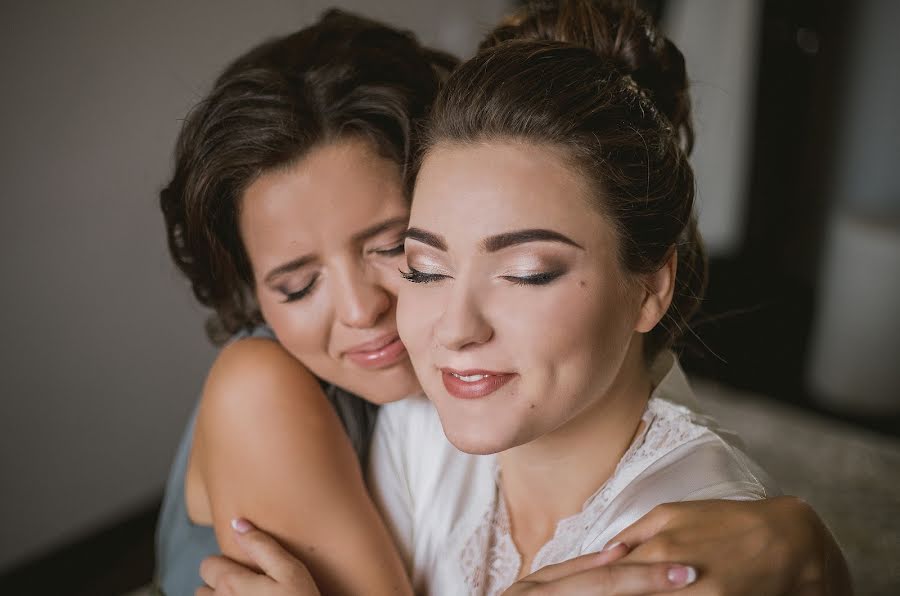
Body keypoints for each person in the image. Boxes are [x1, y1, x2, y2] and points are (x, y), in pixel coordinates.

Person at [156, 5, 852, 596]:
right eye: (429, 266)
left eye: (395, 251)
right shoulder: (410, 418)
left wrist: (811, 552)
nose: (365, 309)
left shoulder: (448, 408)